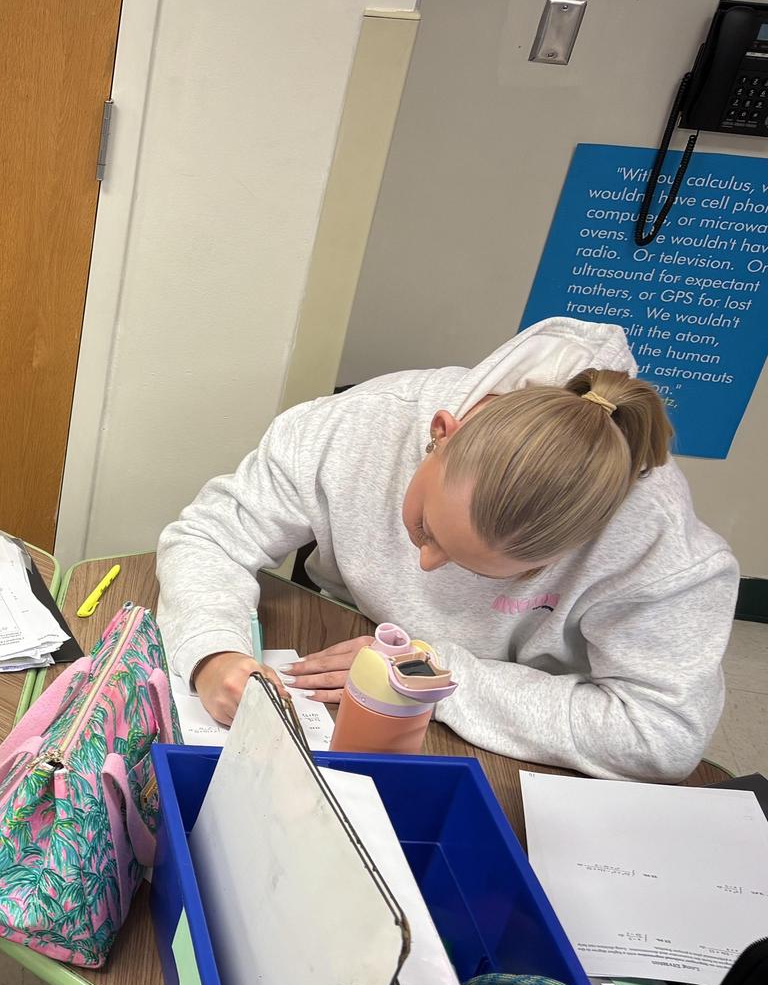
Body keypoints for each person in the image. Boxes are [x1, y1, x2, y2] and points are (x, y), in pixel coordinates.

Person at [157, 318, 739, 781]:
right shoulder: (357, 426)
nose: (425, 567)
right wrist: (212, 652)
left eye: (478, 570)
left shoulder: (658, 542)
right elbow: (211, 534)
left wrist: (442, 678)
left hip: (504, 721)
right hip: (344, 652)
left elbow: (662, 733)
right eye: (426, 529)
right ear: (442, 432)